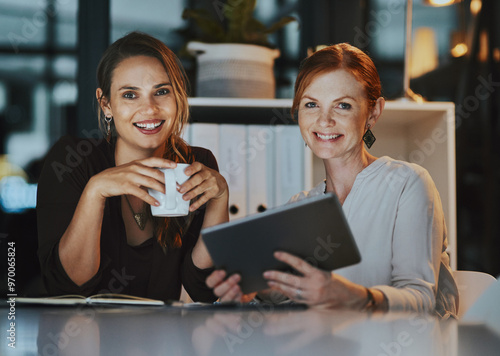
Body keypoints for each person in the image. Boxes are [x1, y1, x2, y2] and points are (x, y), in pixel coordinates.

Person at [207, 43, 458, 318]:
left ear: (373, 113)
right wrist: (252, 292)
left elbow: (420, 299)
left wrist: (352, 297)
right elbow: (282, 298)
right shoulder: (300, 206)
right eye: (311, 104)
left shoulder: (407, 183)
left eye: (343, 105)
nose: (324, 120)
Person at [37, 32, 228, 302]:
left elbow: (203, 289)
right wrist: (96, 191)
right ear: (106, 104)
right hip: (82, 337)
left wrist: (220, 200)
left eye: (161, 92)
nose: (149, 108)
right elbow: (68, 287)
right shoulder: (72, 160)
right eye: (130, 95)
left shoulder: (197, 165)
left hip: (162, 339)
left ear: (178, 97)